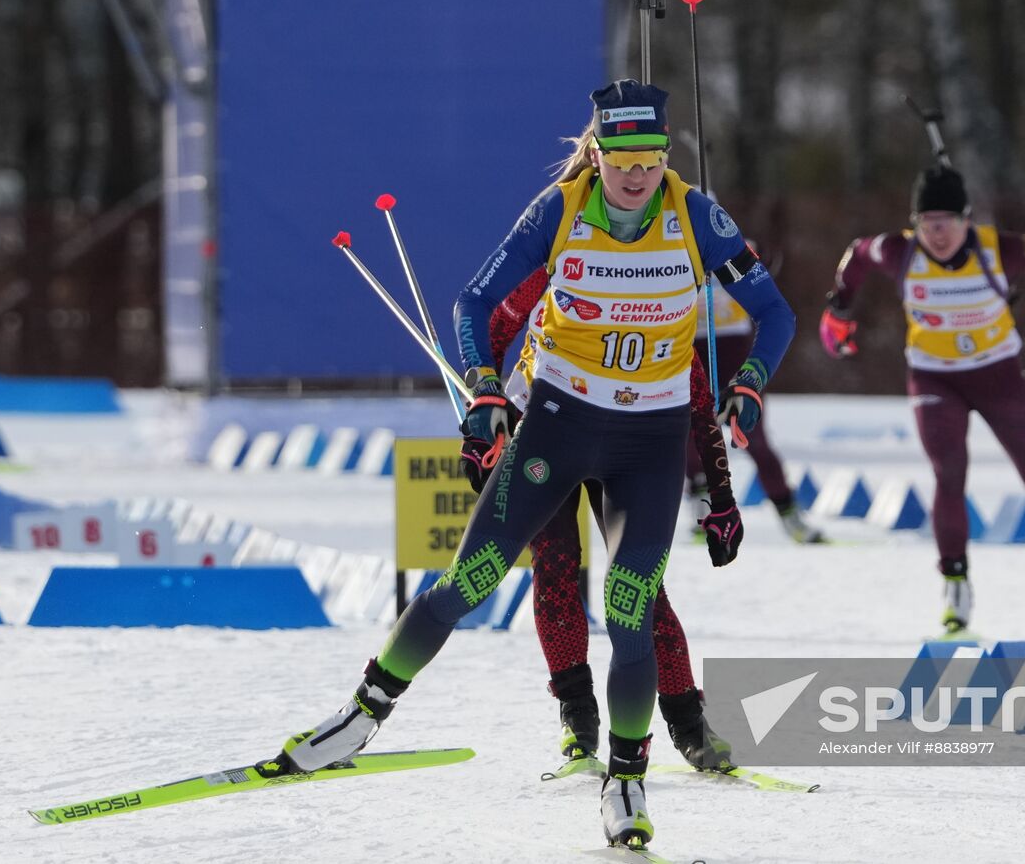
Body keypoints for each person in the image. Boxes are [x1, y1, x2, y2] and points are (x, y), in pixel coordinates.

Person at [264, 80, 794, 849]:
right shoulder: (560, 212)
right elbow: (473, 306)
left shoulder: (695, 217)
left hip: (647, 446)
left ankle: (627, 779)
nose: (637, 176)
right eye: (622, 160)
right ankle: (360, 716)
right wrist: (484, 390)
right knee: (468, 581)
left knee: (630, 605)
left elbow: (775, 312)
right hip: (558, 428)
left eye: (650, 159)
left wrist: (750, 386)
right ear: (598, 155)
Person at [818, 164, 1025, 636]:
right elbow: (858, 254)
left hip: (999, 378)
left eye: (946, 223)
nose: (937, 235)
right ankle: (955, 587)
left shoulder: (1001, 250)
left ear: (966, 220)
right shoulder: (899, 251)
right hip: (934, 378)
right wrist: (838, 311)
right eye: (927, 224)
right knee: (948, 474)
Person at [467, 265, 741, 774]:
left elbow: (700, 403)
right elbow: (493, 330)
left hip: (622, 438)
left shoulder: (658, 298)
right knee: (555, 564)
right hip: (542, 431)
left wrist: (722, 498)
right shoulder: (555, 268)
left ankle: (687, 721)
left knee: (639, 584)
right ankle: (577, 714)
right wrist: (482, 417)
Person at [687, 265, 826, 545]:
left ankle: (789, 513)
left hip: (734, 349)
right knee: (690, 434)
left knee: (754, 437)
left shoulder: (732, 244)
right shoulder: (672, 245)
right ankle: (702, 509)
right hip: (690, 347)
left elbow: (768, 274)